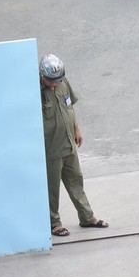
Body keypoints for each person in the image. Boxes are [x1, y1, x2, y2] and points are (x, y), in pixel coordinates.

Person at [39, 53, 107, 237]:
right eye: (51, 81)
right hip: (51, 149)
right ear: (42, 76)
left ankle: (87, 217)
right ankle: (54, 223)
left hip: (69, 143)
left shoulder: (63, 84)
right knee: (52, 188)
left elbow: (69, 107)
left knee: (76, 180)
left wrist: (77, 129)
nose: (54, 84)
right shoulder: (35, 91)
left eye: (57, 80)